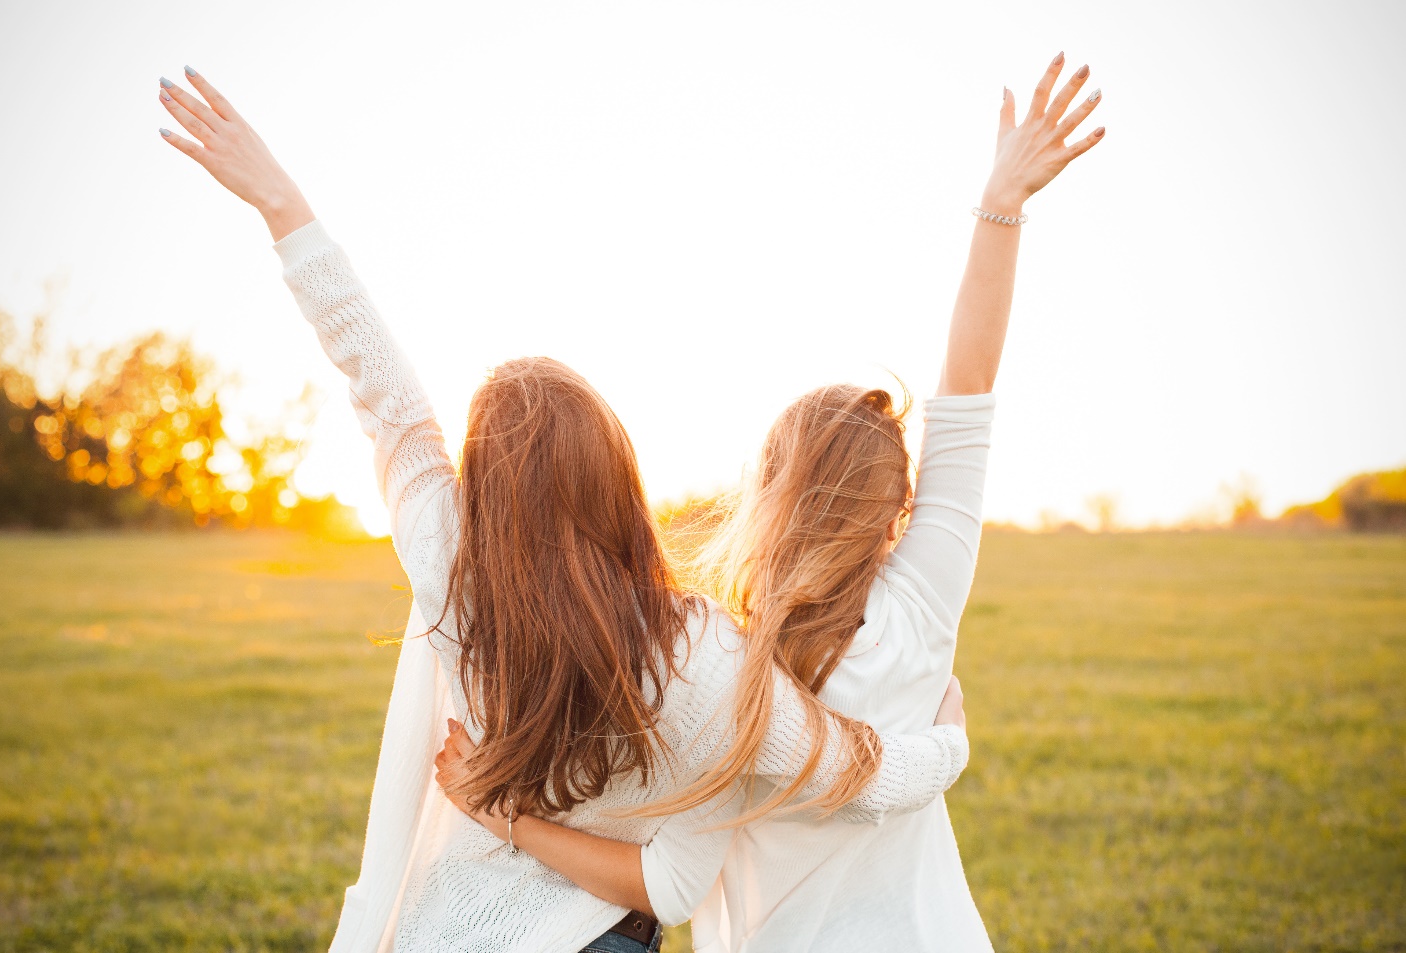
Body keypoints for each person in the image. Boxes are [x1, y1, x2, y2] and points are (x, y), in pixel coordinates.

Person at [156, 66, 975, 953]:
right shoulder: (701, 656)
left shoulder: (452, 566)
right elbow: (861, 772)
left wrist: (282, 205)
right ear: (621, 481)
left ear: (485, 494)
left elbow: (382, 391)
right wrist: (948, 748)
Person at [434, 50, 1105, 952]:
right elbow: (970, 383)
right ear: (897, 513)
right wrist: (1002, 206)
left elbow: (670, 880)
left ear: (767, 491)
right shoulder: (919, 610)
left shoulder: (721, 668)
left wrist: (500, 809)